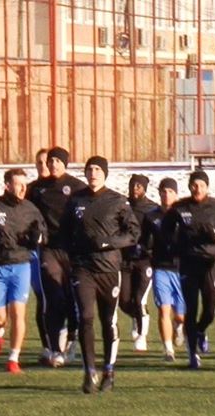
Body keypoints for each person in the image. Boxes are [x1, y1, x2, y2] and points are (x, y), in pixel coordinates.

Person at [60, 156, 139, 393]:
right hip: (83, 269)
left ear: (105, 173)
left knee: (108, 321)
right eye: (89, 169)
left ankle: (109, 370)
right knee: (85, 317)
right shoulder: (76, 200)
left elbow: (133, 233)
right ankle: (89, 372)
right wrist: (72, 254)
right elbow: (64, 232)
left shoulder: (117, 201)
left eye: (97, 169)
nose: (93, 173)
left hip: (109, 269)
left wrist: (108, 243)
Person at [161, 170, 215, 369]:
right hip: (188, 263)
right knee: (191, 309)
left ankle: (201, 330)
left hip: (210, 263)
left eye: (201, 185)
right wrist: (174, 245)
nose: (198, 189)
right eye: (194, 185)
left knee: (210, 311)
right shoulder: (180, 207)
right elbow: (166, 229)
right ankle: (192, 354)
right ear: (189, 186)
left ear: (207, 187)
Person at [0, 168, 47, 373]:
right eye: (18, 184)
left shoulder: (31, 209)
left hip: (21, 266)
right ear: (7, 185)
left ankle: (13, 358)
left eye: (25, 184)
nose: (23, 188)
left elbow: (43, 233)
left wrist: (38, 237)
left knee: (18, 313)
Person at [26, 146, 87, 367]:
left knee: (73, 298)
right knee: (54, 297)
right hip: (48, 249)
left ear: (65, 164)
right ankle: (54, 349)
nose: (52, 165)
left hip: (72, 250)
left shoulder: (77, 188)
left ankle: (72, 340)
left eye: (57, 161)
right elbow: (25, 213)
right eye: (50, 161)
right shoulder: (36, 189)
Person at [138, 178, 187, 362]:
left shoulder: (184, 214)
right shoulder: (151, 217)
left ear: (176, 194)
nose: (167, 195)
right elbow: (144, 240)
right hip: (161, 268)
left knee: (181, 315)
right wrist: (145, 250)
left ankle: (179, 326)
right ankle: (168, 350)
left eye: (170, 192)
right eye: (164, 191)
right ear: (159, 193)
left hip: (181, 269)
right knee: (163, 310)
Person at [119, 174, 159, 351]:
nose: (135, 189)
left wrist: (150, 248)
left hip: (145, 261)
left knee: (139, 299)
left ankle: (142, 336)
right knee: (124, 301)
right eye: (132, 185)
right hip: (125, 260)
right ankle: (137, 317)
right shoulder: (122, 205)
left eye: (139, 186)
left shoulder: (152, 209)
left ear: (145, 189)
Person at [25, 148, 53, 360]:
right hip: (36, 251)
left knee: (61, 297)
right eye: (39, 163)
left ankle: (64, 338)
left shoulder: (65, 188)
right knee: (42, 297)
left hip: (59, 251)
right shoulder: (31, 189)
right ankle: (47, 346)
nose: (43, 166)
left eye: (46, 162)